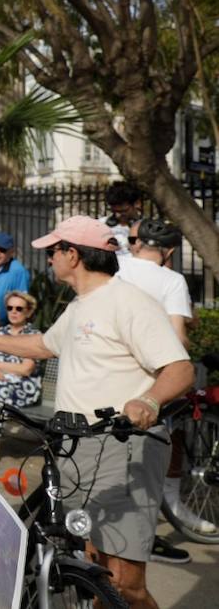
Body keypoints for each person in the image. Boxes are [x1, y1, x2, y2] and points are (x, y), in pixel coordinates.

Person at [0, 215, 193, 609]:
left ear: (73, 255)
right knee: (96, 567)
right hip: (80, 445)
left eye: (54, 251)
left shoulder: (129, 302)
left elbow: (180, 368)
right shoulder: (81, 305)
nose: (49, 259)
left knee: (126, 584)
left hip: (122, 446)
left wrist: (148, 401)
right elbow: (45, 345)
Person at [115, 217, 211, 558]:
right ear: (170, 251)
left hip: (109, 370)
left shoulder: (117, 266)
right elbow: (178, 337)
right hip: (149, 379)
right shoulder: (171, 280)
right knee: (153, 452)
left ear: (138, 243)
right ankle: (145, 539)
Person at [0, 290, 42, 408]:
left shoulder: (33, 336)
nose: (13, 312)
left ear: (29, 312)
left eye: (19, 309)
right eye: (10, 308)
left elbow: (25, 369)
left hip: (20, 385)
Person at [0, 231, 30, 325]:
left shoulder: (18, 272)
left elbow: (21, 303)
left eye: (2, 250)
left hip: (1, 326)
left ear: (11, 252)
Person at [102, 181, 145, 259]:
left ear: (137, 203)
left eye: (123, 211)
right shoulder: (101, 224)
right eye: (114, 211)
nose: (118, 215)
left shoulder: (147, 228)